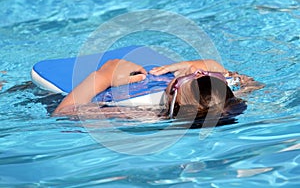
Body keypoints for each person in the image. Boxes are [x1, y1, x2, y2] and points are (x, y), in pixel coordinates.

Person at [53, 59, 262, 126]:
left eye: (193, 77)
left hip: (50, 96)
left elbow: (65, 113)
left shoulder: (146, 112)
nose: (198, 72)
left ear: (172, 96)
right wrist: (221, 71)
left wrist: (103, 75)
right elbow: (251, 84)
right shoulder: (224, 103)